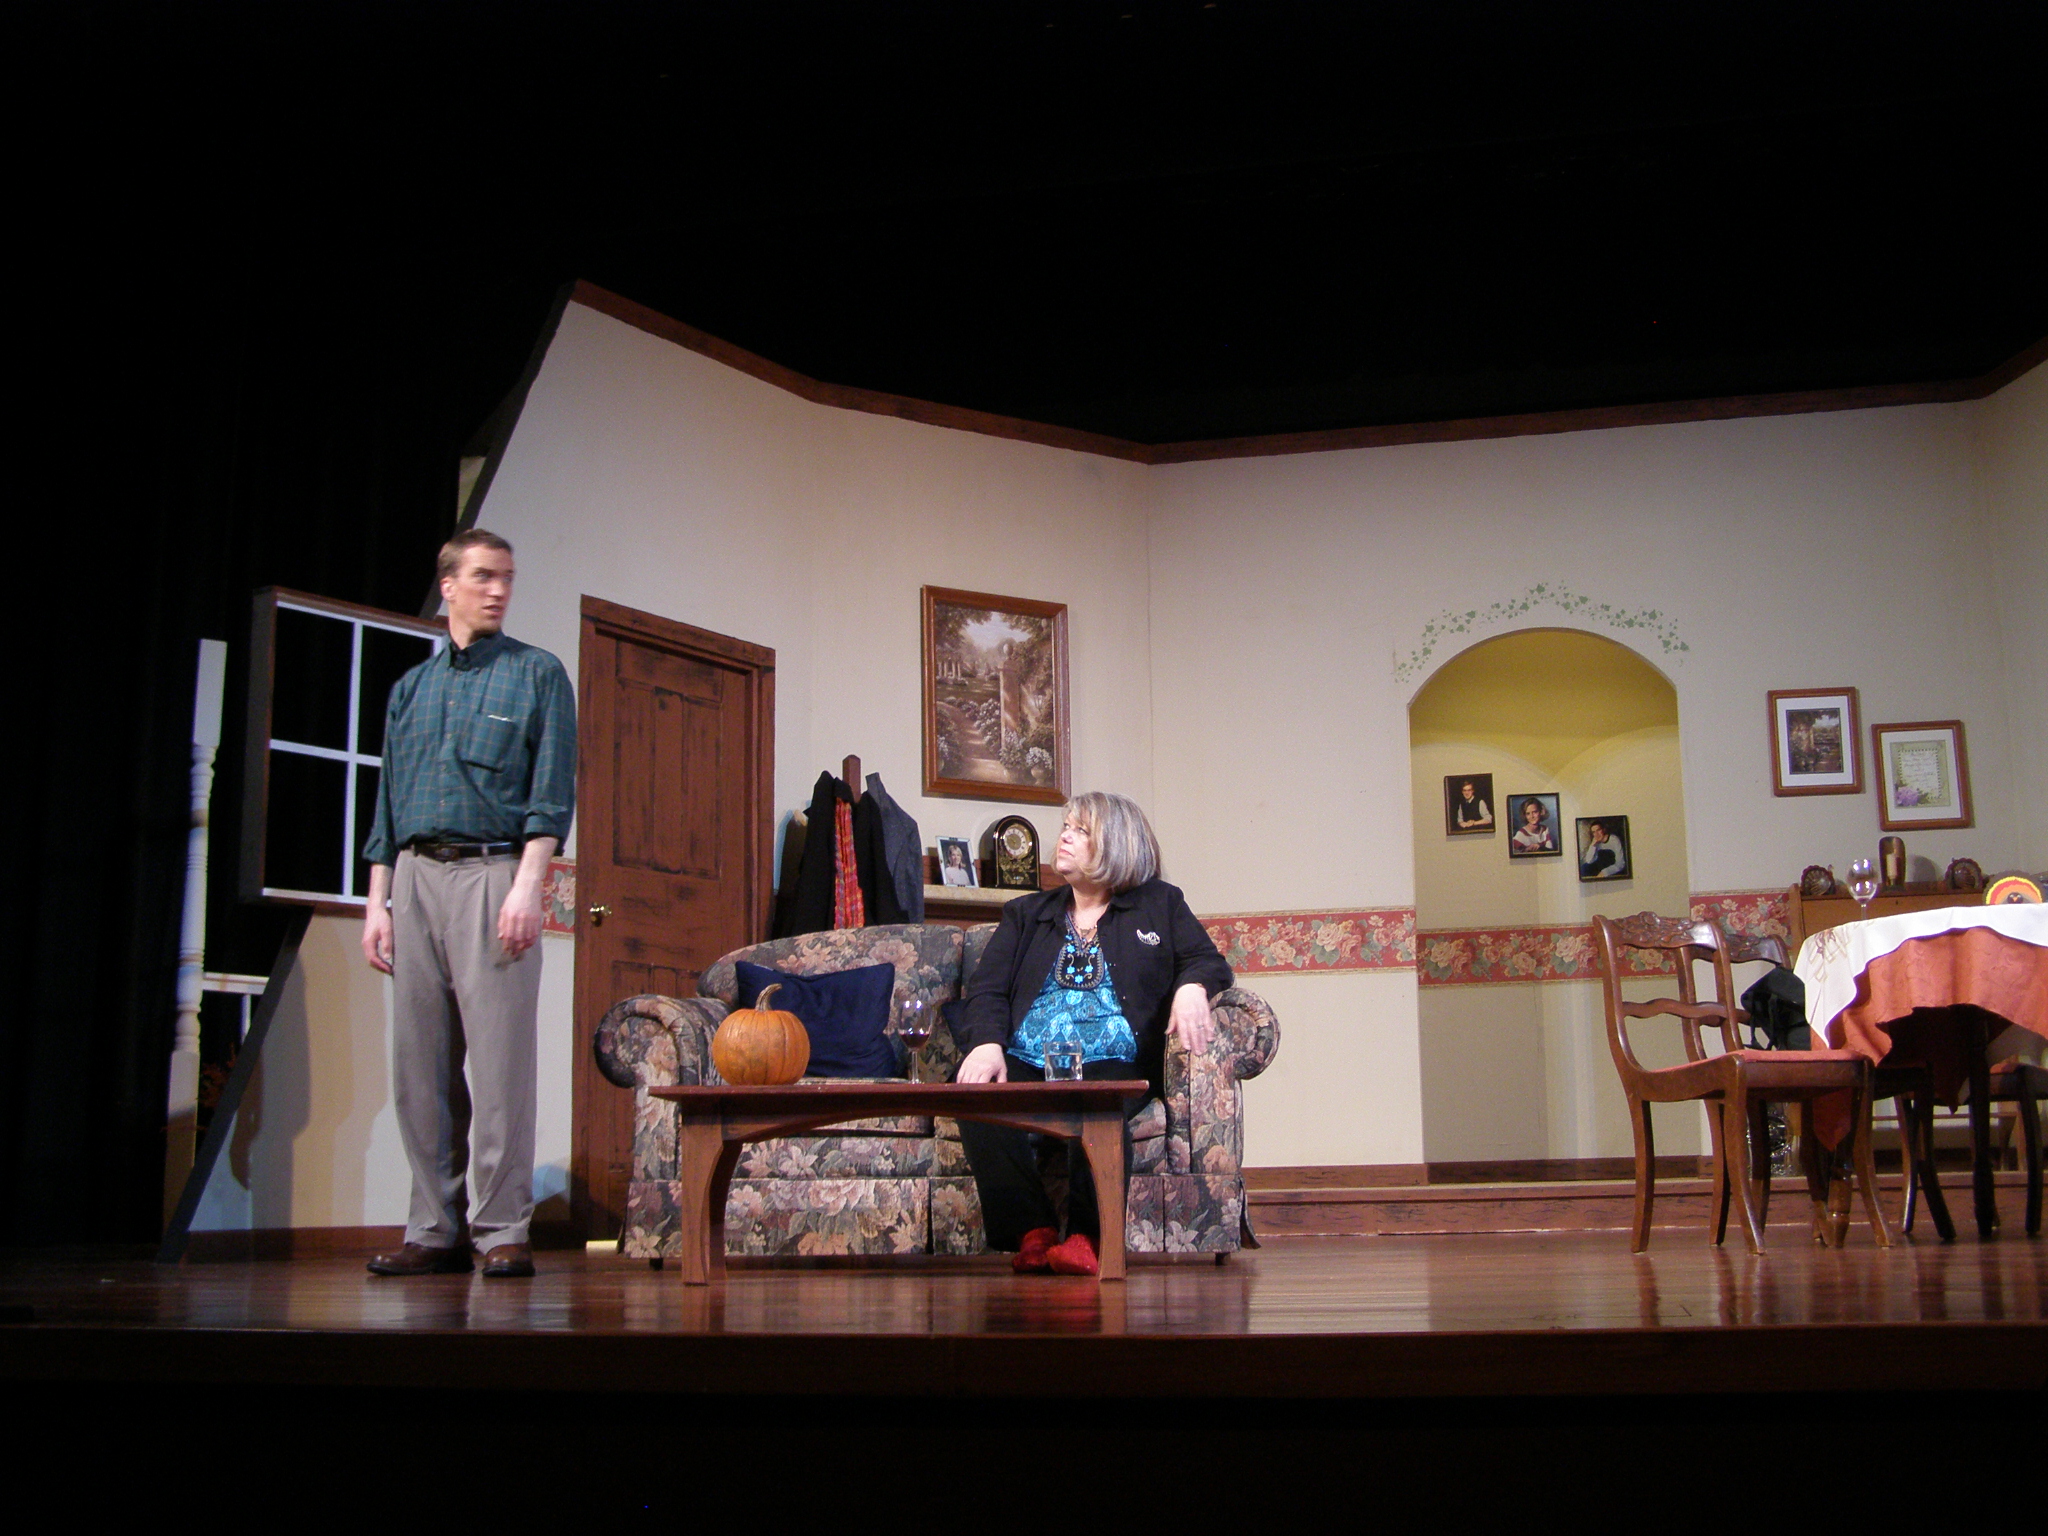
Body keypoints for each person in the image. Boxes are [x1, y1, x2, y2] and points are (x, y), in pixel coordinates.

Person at [359, 528, 576, 1279]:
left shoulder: (536, 673)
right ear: (448, 584)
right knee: (419, 1068)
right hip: (414, 876)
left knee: (500, 1065)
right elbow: (387, 808)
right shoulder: (409, 692)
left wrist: (528, 885)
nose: (498, 590)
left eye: (506, 577)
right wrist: (377, 903)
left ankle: (501, 1227)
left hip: (493, 873)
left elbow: (551, 792)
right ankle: (433, 1228)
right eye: (484, 576)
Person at [953, 792, 1231, 1276]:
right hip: (1029, 1057)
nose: (1064, 836)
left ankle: (1087, 1238)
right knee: (974, 1096)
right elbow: (987, 989)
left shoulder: (1160, 904)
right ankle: (1032, 1232)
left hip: (1114, 1062)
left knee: (1099, 1105)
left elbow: (1207, 961)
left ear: (1117, 844)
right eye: (1066, 826)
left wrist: (1192, 987)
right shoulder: (1025, 913)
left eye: (1080, 830)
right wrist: (986, 1044)